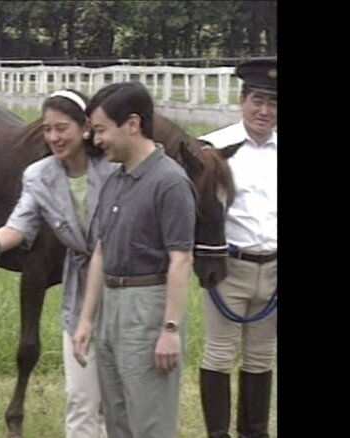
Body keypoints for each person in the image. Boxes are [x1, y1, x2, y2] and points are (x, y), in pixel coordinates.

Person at [0, 88, 112, 437]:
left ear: (85, 127)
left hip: (121, 287)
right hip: (80, 288)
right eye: (47, 129)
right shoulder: (39, 175)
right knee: (81, 396)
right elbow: (20, 225)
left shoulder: (113, 170)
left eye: (62, 128)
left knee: (119, 398)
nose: (54, 137)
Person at [72, 81, 197, 438]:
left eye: (100, 130)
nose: (96, 141)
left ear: (132, 124)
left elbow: (180, 260)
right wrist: (86, 320)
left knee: (150, 420)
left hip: (147, 307)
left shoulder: (170, 182)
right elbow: (101, 251)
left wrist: (169, 330)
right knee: (118, 418)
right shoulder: (115, 180)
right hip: (112, 306)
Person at [196, 59, 277, 438]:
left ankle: (254, 432)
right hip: (229, 268)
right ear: (242, 100)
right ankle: (217, 434)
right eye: (258, 100)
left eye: (274, 103)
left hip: (273, 271)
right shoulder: (216, 149)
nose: (264, 111)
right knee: (219, 354)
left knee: (261, 357)